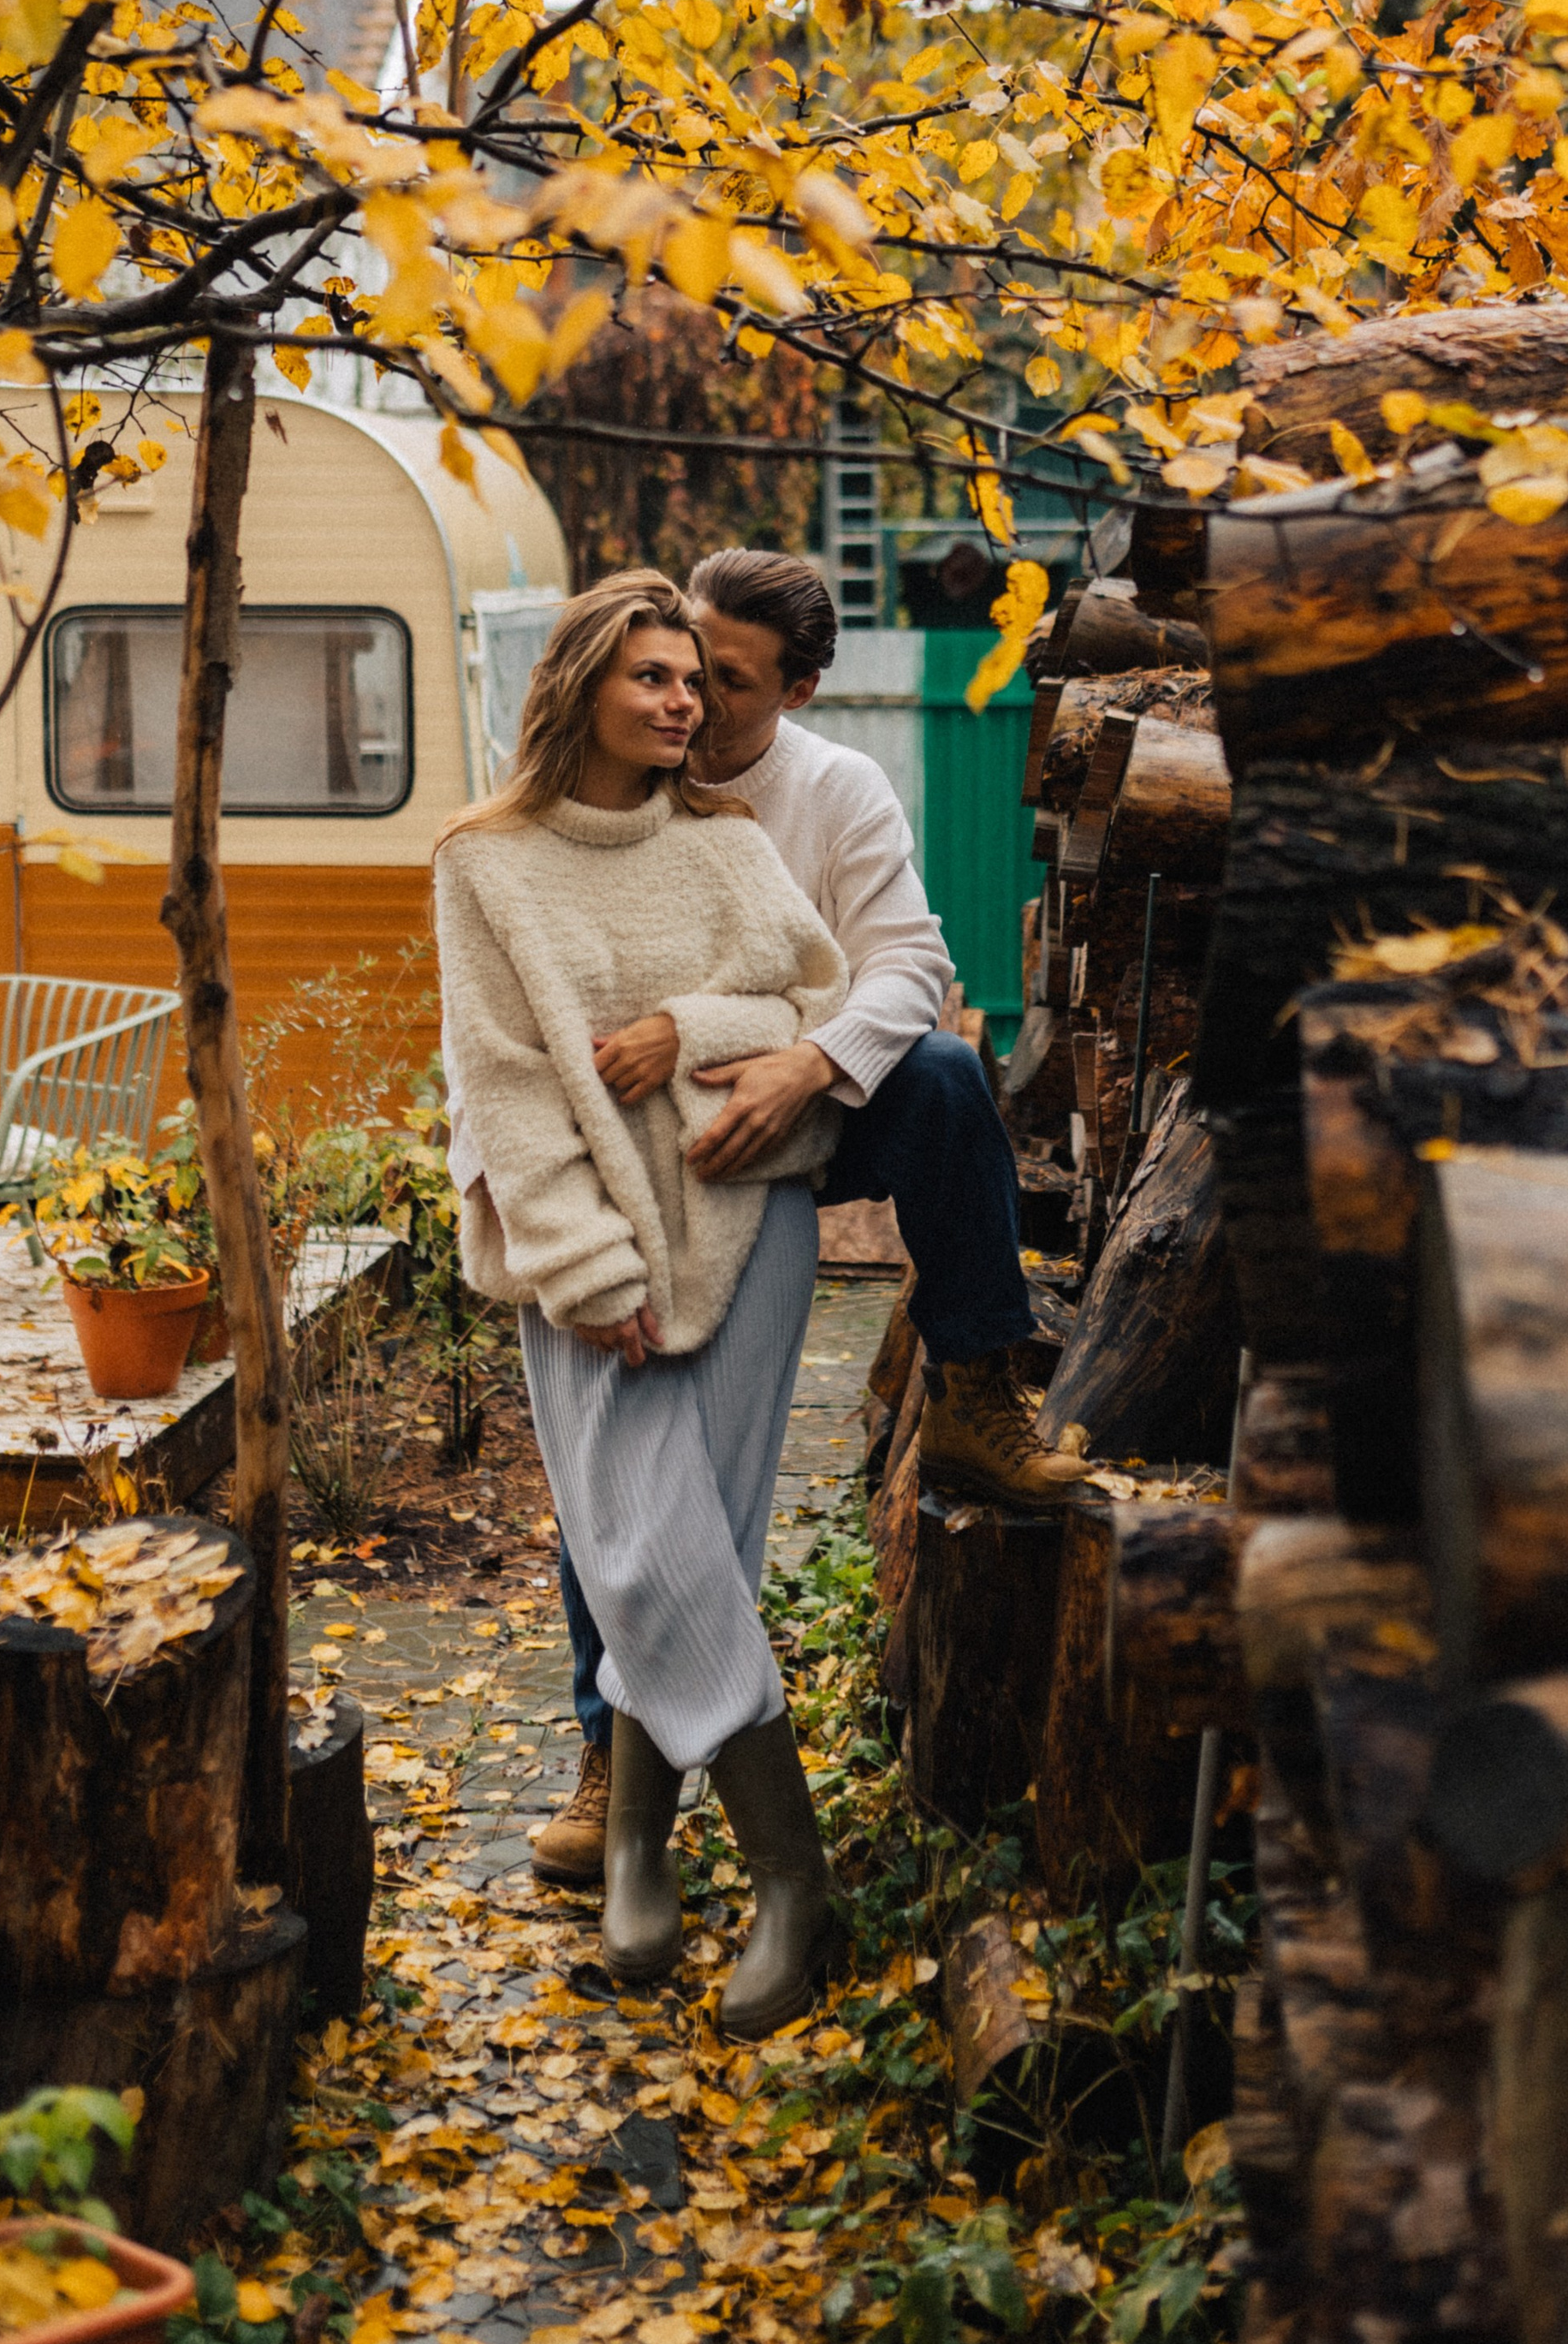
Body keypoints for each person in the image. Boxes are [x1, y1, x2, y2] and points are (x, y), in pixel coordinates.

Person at [531, 545, 1085, 1890]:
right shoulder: (612, 791)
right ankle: (613, 1740)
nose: (689, 704)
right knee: (615, 1428)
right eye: (671, 667)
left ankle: (974, 1383)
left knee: (949, 1077)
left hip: (805, 1115)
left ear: (800, 688)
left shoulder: (834, 789)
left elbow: (915, 965)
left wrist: (810, 1068)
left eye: (722, 680)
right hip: (649, 1145)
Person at [432, 569, 853, 2038]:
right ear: (581, 687)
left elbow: (816, 1005)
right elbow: (507, 1084)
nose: (685, 702)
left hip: (750, 1234)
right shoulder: (489, 864)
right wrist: (594, 1270)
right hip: (594, 1263)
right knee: (643, 1549)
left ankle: (640, 1843)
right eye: (654, 679)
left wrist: (691, 1030)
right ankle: (793, 1880)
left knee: (707, 1548)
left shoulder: (730, 847)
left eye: (695, 679)